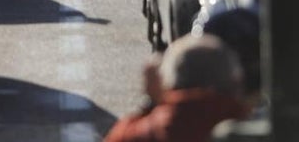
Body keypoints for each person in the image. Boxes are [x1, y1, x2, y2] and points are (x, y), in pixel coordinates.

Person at [104, 34, 251, 142]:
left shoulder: (134, 134)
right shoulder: (257, 129)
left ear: (168, 81)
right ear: (234, 81)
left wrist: (151, 103)